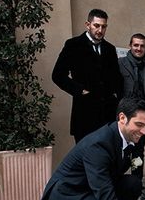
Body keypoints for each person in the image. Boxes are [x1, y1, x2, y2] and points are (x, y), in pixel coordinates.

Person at [52, 9, 123, 143]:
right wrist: (80, 91)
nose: (100, 30)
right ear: (87, 24)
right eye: (96, 25)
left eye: (103, 26)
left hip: (108, 115)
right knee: (86, 159)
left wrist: (119, 101)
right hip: (84, 114)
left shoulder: (110, 49)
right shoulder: (73, 45)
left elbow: (117, 79)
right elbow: (57, 75)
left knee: (107, 159)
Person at [118, 33, 145, 179]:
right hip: (125, 117)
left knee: (138, 151)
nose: (139, 48)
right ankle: (118, 180)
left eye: (142, 46)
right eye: (136, 45)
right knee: (121, 149)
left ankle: (136, 181)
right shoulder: (120, 63)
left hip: (142, 118)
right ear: (130, 46)